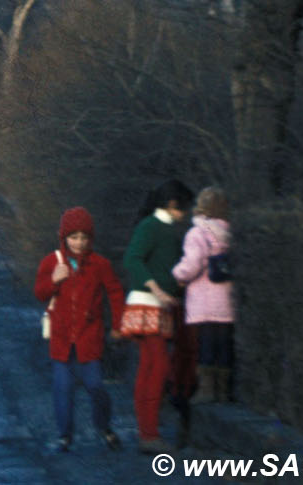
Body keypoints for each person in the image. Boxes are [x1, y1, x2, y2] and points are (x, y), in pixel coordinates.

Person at [35, 207, 126, 451]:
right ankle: (65, 434)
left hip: (89, 335)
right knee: (62, 387)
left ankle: (104, 426)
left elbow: (115, 293)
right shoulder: (52, 262)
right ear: (63, 237)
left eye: (84, 238)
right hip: (61, 336)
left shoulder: (99, 264)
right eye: (74, 237)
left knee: (95, 384)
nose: (79, 243)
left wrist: (118, 325)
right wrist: (54, 279)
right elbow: (40, 292)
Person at [123, 178, 196, 449]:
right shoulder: (152, 226)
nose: (185, 214)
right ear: (174, 204)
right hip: (147, 304)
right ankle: (149, 434)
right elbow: (132, 258)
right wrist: (159, 290)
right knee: (158, 367)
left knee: (148, 368)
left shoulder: (161, 228)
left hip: (154, 305)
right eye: (184, 208)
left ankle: (147, 432)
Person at [172, 185, 235, 404]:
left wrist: (177, 274)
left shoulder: (197, 233)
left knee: (206, 345)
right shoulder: (230, 233)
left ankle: (207, 392)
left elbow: (193, 264)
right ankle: (224, 391)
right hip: (226, 300)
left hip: (205, 302)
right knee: (224, 345)